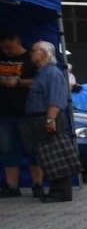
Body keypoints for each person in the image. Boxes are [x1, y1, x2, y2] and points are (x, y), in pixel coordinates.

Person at [22, 41, 73, 203]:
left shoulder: (52, 73)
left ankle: (61, 192)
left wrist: (50, 119)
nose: (31, 53)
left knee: (55, 155)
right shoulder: (42, 73)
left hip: (48, 117)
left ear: (44, 53)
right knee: (47, 156)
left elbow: (56, 99)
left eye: (34, 50)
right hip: (39, 118)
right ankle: (55, 189)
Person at [0, 33, 42, 198]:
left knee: (33, 150)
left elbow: (40, 81)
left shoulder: (30, 59)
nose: (6, 51)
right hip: (4, 114)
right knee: (8, 150)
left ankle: (37, 184)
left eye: (9, 47)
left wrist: (19, 83)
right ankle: (12, 186)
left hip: (26, 113)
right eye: (3, 48)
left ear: (18, 41)